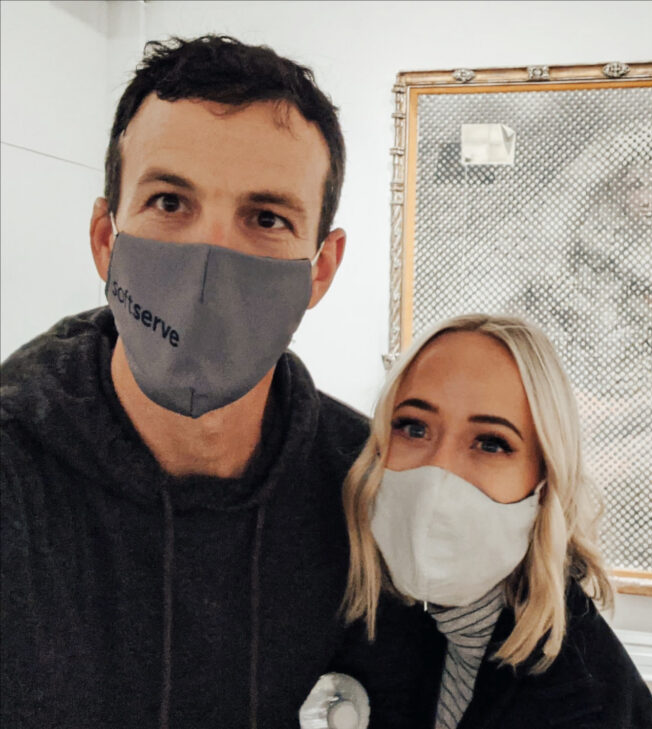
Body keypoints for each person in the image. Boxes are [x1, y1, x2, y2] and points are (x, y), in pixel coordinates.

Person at [0, 35, 440, 728]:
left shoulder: (372, 494)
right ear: (106, 241)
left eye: (266, 218)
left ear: (321, 270)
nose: (209, 260)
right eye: (170, 201)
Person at [338, 314, 652, 729]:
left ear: (544, 484)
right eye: (414, 428)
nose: (438, 475)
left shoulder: (583, 708)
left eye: (491, 443)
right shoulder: (410, 623)